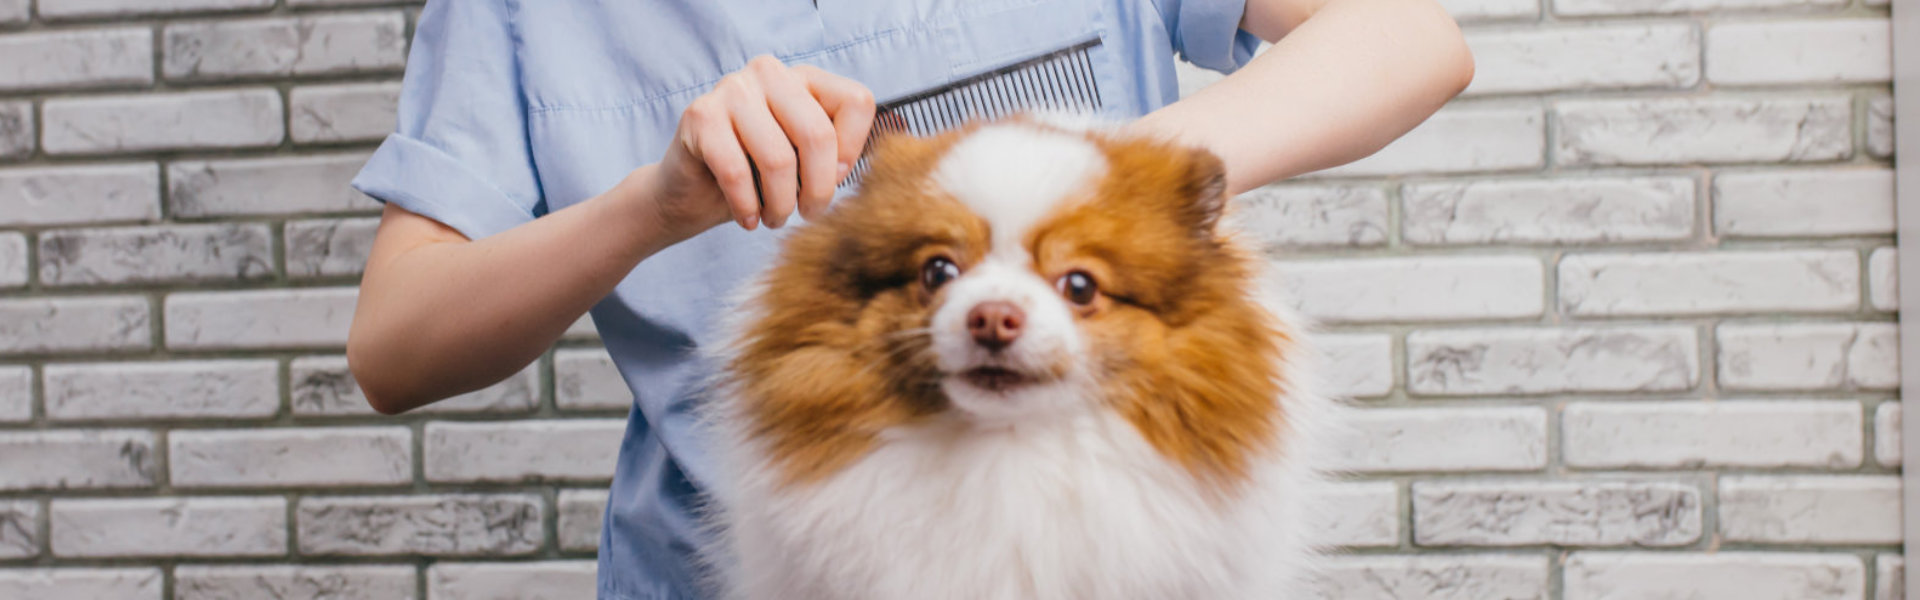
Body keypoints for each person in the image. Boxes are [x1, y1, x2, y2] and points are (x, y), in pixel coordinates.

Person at [346, 1, 1473, 598]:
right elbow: (395, 348)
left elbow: (1409, 33)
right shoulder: (519, 13)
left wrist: (1106, 188)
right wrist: (653, 204)